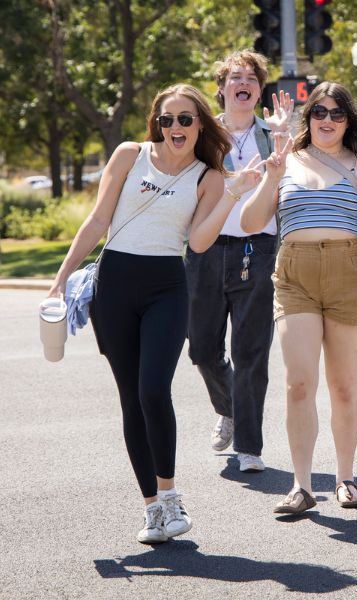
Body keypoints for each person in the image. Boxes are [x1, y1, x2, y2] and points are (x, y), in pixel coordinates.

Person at [47, 84, 264, 543]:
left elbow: (201, 242)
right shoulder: (130, 154)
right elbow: (98, 220)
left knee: (152, 391)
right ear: (157, 123)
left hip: (167, 286)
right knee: (130, 398)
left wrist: (232, 192)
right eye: (168, 119)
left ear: (200, 124)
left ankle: (170, 496)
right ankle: (150, 509)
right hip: (115, 285)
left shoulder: (208, 177)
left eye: (186, 119)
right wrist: (61, 276)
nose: (176, 128)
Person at [240, 82, 357, 515]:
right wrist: (271, 176)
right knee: (298, 383)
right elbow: (252, 220)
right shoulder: (287, 161)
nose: (326, 120)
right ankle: (302, 485)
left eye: (337, 113)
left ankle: (345, 478)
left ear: (349, 121)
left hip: (350, 272)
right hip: (295, 273)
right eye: (319, 113)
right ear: (307, 118)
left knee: (344, 385)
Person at [185, 50, 293, 473]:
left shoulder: (276, 133)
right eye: (235, 77)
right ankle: (230, 407)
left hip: (258, 250)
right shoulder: (200, 133)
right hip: (206, 249)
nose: (243, 83)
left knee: (252, 353)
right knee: (202, 349)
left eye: (251, 77)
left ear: (259, 90)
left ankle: (249, 445)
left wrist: (284, 136)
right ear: (222, 87)